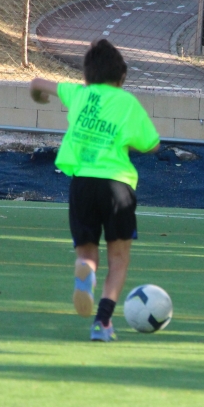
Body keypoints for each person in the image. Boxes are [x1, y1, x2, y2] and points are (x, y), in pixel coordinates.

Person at [29, 39, 161, 342]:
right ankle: (102, 323)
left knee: (88, 252)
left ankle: (85, 270)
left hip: (82, 184)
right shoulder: (126, 102)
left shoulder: (79, 94)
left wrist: (39, 98)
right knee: (119, 258)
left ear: (86, 77)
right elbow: (153, 144)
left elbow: (37, 83)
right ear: (121, 78)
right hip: (117, 186)